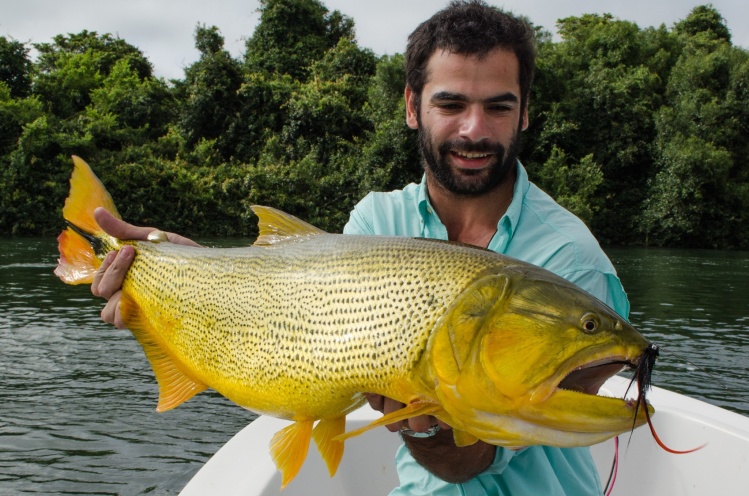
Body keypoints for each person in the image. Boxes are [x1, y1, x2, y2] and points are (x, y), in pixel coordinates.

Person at [92, 1, 629, 494]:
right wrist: (185, 268)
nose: (474, 129)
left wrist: (421, 430)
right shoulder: (378, 219)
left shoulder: (570, 260)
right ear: (412, 107)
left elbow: (473, 458)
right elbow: (287, 311)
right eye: (451, 103)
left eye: (498, 107)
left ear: (525, 113)